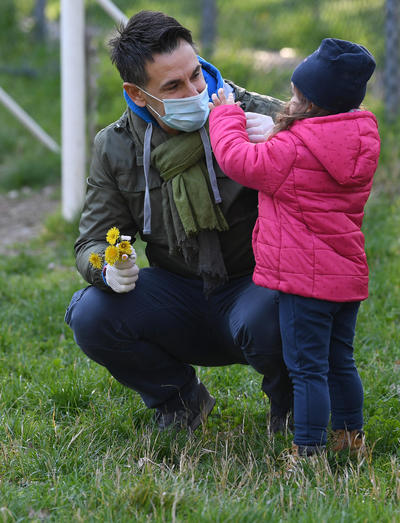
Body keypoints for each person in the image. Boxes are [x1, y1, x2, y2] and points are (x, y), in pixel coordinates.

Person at [64, 10, 293, 434]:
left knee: (280, 310)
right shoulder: (117, 146)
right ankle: (180, 402)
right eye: (173, 85)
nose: (194, 91)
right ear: (137, 93)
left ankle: (292, 409)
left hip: (256, 286)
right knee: (90, 314)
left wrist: (292, 143)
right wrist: (106, 268)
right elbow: (91, 242)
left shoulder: (259, 114)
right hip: (177, 294)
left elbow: (343, 173)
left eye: (196, 75)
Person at [208, 38, 380, 456]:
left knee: (307, 370)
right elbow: (310, 149)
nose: (289, 99)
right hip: (346, 276)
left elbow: (237, 161)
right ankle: (349, 437)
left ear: (309, 102)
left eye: (295, 93)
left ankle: (308, 452)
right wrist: (281, 134)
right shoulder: (359, 137)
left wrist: (224, 116)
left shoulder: (291, 149)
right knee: (341, 362)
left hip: (304, 282)